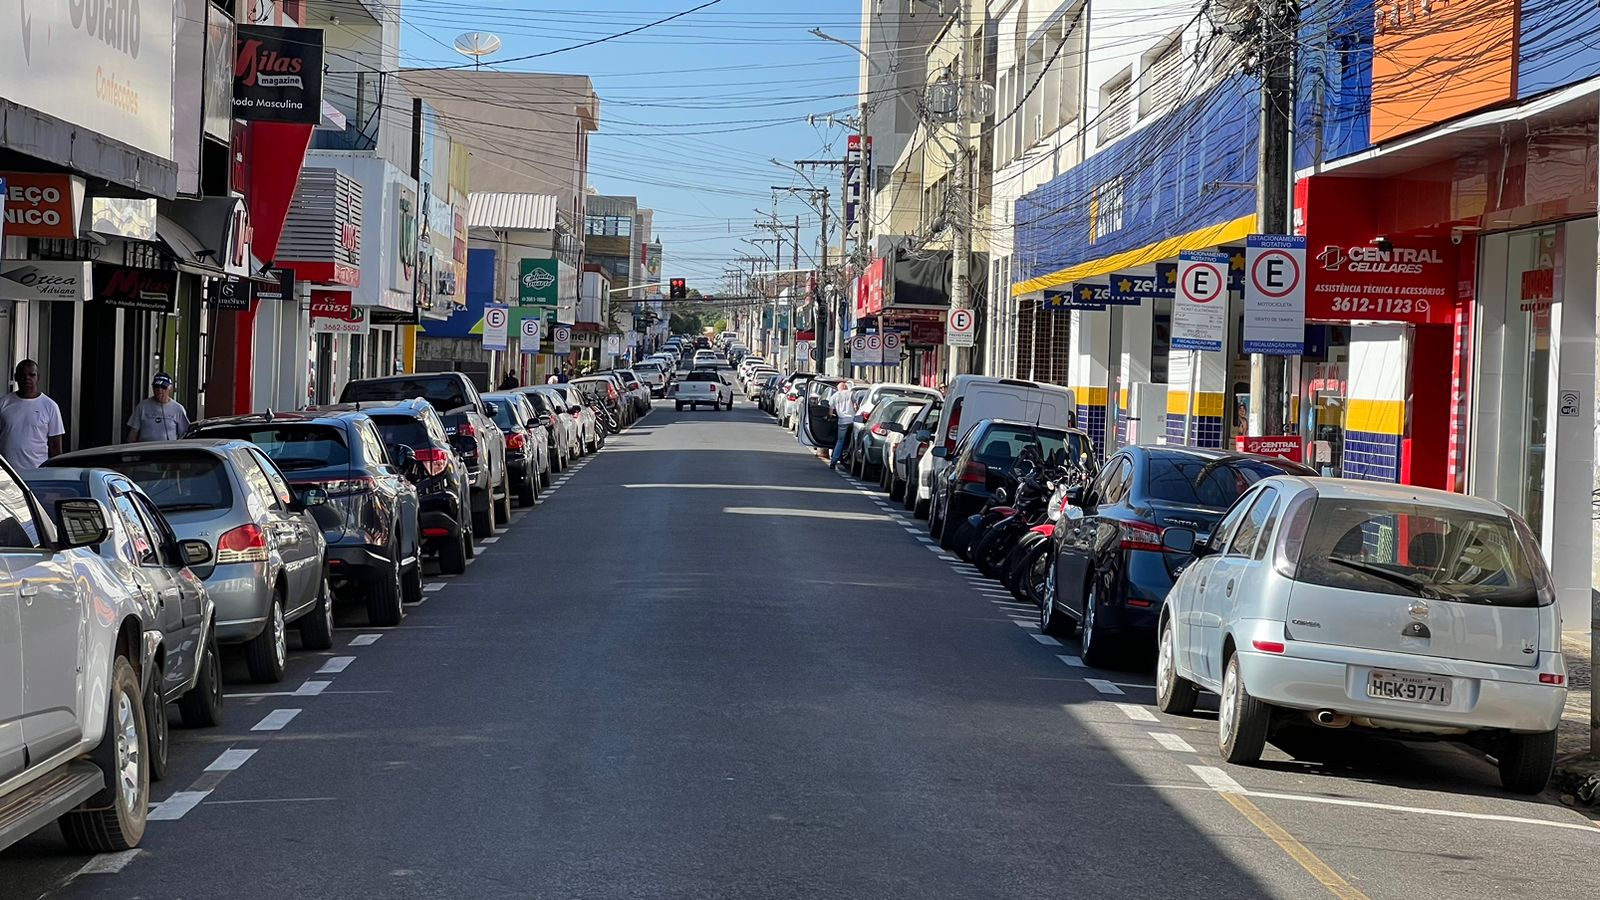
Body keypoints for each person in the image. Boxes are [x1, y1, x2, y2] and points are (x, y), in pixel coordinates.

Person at [0, 360, 65, 470]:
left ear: (38, 378)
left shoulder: (50, 406)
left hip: (37, 471)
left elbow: (55, 446)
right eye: (22, 375)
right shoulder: (3, 403)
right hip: (7, 473)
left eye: (31, 375)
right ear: (16, 377)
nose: (27, 379)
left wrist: (56, 473)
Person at [126, 372, 192, 442]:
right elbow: (133, 433)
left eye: (163, 387)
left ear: (170, 388)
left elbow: (185, 435)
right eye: (156, 386)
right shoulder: (142, 406)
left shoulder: (178, 409)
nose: (159, 390)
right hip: (145, 450)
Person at [828, 381, 858, 470]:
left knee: (840, 441)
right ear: (845, 387)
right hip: (852, 420)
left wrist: (829, 417)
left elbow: (830, 410)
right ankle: (852, 460)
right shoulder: (851, 393)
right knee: (854, 441)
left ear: (839, 388)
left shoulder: (834, 396)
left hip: (842, 421)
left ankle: (833, 461)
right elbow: (856, 406)